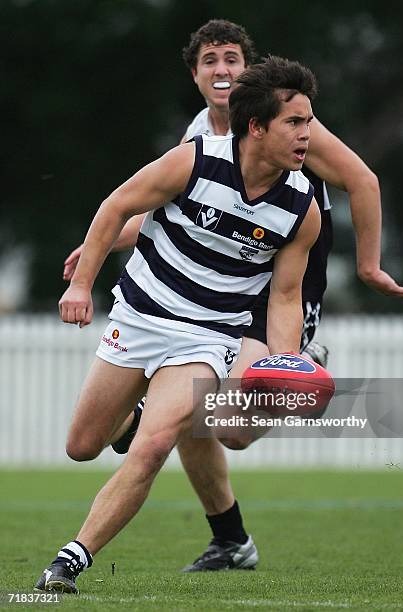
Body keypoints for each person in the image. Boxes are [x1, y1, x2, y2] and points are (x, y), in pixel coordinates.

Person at [62, 19, 403, 573]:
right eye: (211, 61)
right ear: (195, 75)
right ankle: (230, 537)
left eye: (232, 60)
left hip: (282, 273)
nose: (223, 71)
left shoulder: (290, 122)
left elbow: (364, 182)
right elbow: (178, 215)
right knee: (186, 416)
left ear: (247, 71)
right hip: (220, 277)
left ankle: (293, 366)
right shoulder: (199, 139)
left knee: (228, 428)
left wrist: (369, 266)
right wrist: (101, 248)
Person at [36, 55, 322, 593]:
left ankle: (69, 562)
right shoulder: (193, 162)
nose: (307, 134)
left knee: (153, 444)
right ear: (257, 127)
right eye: (295, 122)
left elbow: (285, 294)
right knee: (82, 445)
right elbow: (116, 206)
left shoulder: (301, 206)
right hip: (140, 318)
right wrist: (81, 285)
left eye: (308, 121)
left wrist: (285, 362)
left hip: (209, 337)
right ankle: (137, 413)